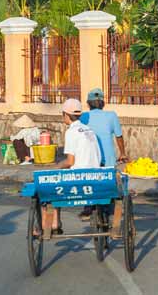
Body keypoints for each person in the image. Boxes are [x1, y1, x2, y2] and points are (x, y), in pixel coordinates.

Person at [40, 99, 102, 239]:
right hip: (95, 177)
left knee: (48, 187)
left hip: (78, 180)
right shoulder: (90, 130)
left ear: (66, 115)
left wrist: (56, 167)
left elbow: (70, 161)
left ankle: (54, 223)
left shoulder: (71, 132)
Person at [81, 88, 126, 167]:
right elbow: (119, 137)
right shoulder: (112, 115)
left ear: (88, 104)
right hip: (109, 163)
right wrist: (122, 154)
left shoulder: (83, 117)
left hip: (90, 162)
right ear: (103, 104)